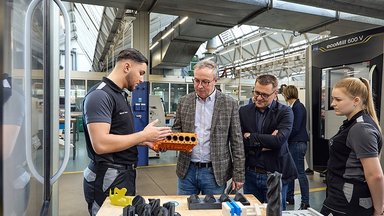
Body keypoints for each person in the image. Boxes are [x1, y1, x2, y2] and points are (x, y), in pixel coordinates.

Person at [82, 48, 172, 215]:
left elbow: (117, 135)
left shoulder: (120, 95)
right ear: (126, 67)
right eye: (141, 72)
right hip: (107, 176)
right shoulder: (100, 96)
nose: (141, 79)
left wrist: (143, 140)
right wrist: (143, 135)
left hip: (124, 174)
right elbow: (100, 144)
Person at [173, 59, 245, 195]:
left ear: (215, 81)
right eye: (196, 81)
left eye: (205, 82)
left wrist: (239, 174)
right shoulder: (184, 101)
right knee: (184, 210)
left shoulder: (229, 104)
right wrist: (166, 140)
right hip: (187, 170)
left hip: (214, 172)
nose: (199, 86)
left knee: (214, 211)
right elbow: (176, 130)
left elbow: (237, 142)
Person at [321, 77, 384, 216]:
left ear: (356, 101)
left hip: (347, 205)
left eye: (338, 100)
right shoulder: (352, 124)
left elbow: (375, 175)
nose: (333, 103)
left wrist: (379, 210)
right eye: (333, 99)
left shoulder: (361, 128)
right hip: (340, 200)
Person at [239, 74, 297, 210]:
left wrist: (251, 137)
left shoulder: (285, 112)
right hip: (251, 174)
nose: (259, 98)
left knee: (274, 213)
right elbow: (239, 142)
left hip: (275, 174)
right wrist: (267, 141)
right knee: (252, 212)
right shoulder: (243, 111)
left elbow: (278, 141)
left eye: (264, 95)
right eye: (256, 92)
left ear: (275, 93)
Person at [283, 85, 310, 209]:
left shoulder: (298, 107)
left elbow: (296, 127)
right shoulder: (294, 106)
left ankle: (305, 201)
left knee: (299, 173)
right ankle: (290, 197)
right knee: (292, 171)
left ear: (287, 94)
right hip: (295, 143)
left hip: (297, 143)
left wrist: (284, 135)